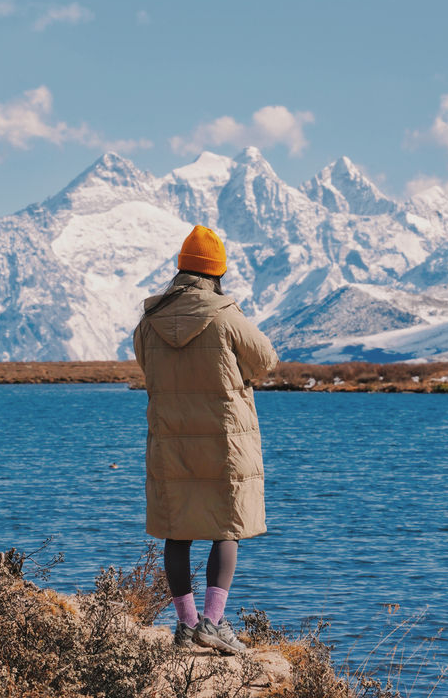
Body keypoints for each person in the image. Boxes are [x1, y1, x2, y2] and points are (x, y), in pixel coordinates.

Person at [133, 224, 278, 654]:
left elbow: (148, 368)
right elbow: (265, 359)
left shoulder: (149, 321)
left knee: (176, 531)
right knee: (225, 527)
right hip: (223, 440)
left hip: (170, 441)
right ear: (217, 273)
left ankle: (186, 625)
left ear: (181, 268)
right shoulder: (225, 314)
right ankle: (213, 624)